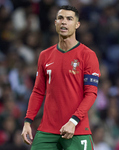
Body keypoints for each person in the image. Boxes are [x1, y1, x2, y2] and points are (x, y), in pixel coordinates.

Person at [21, 5, 100, 150]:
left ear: (77, 25)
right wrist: (28, 122)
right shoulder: (45, 55)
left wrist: (73, 121)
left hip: (77, 130)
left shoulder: (88, 55)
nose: (64, 22)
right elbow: (38, 91)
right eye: (60, 18)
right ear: (55, 23)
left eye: (69, 19)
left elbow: (91, 94)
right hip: (47, 131)